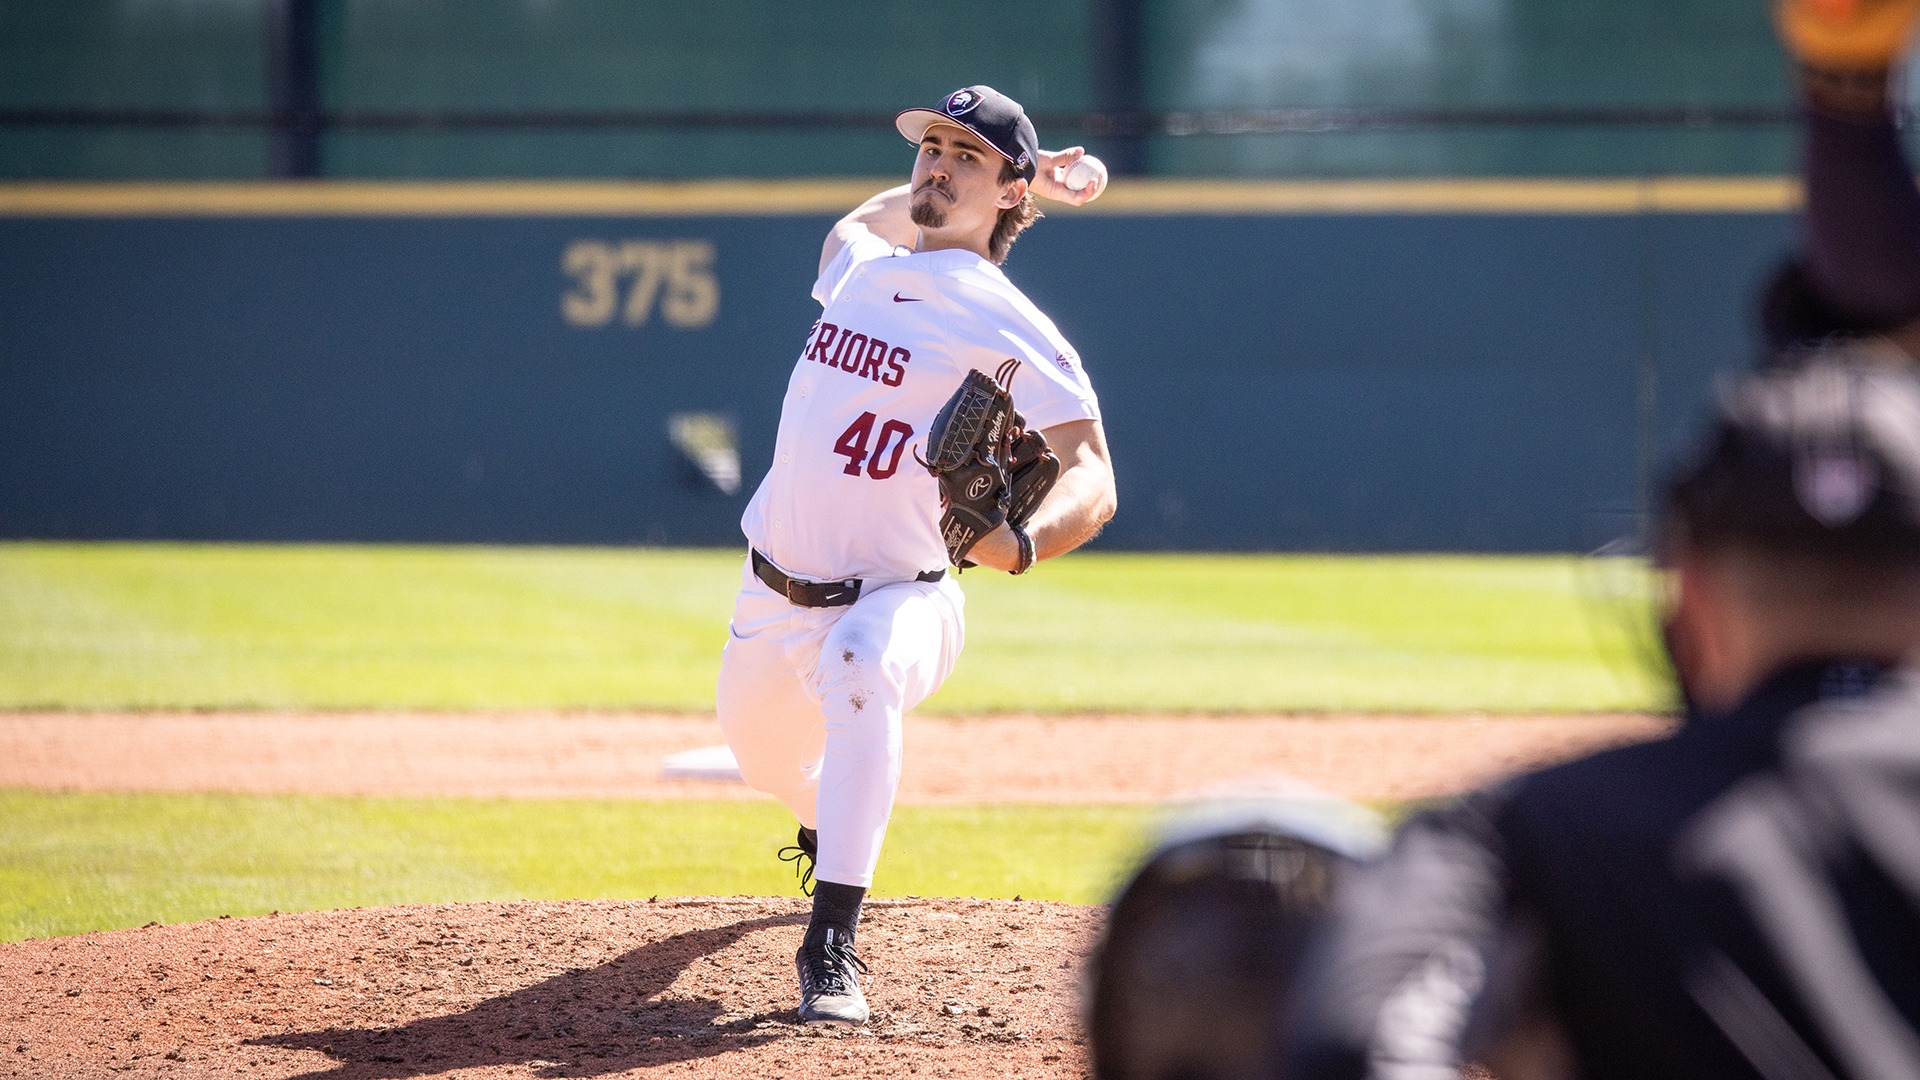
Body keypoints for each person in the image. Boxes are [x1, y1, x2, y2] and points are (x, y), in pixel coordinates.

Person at [1280, 5, 1920, 1076]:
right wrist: (1846, 98)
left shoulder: (1529, 829)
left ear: (1691, 594)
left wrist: (1844, 92)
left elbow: (1353, 1043)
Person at [712, 85, 1118, 1027]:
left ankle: (831, 947)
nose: (937, 164)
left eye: (966, 156)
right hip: (772, 595)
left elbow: (1092, 467)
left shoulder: (1002, 315)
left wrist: (1020, 547)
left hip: (905, 594)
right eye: (931, 147)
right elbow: (861, 217)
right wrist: (1035, 173)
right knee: (761, 763)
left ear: (1009, 196)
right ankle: (823, 820)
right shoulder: (859, 268)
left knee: (859, 666)